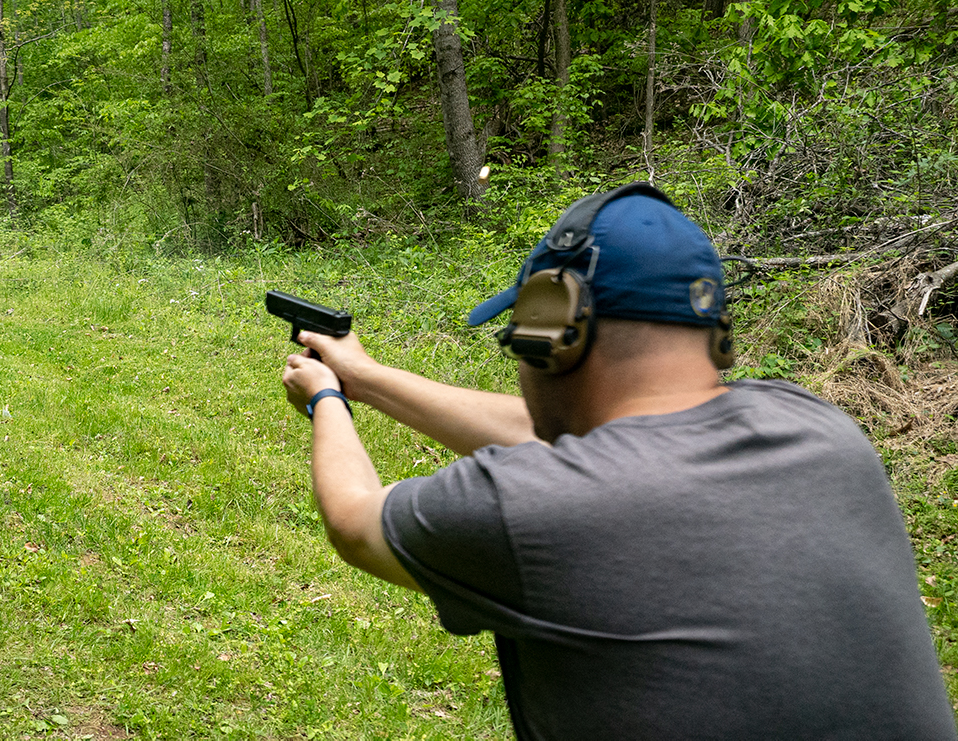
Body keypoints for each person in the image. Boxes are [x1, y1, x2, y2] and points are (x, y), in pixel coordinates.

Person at [279, 184, 956, 739]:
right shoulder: (819, 425)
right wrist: (366, 376)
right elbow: (570, 435)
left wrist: (327, 395)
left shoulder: (529, 509)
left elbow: (354, 518)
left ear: (553, 331)